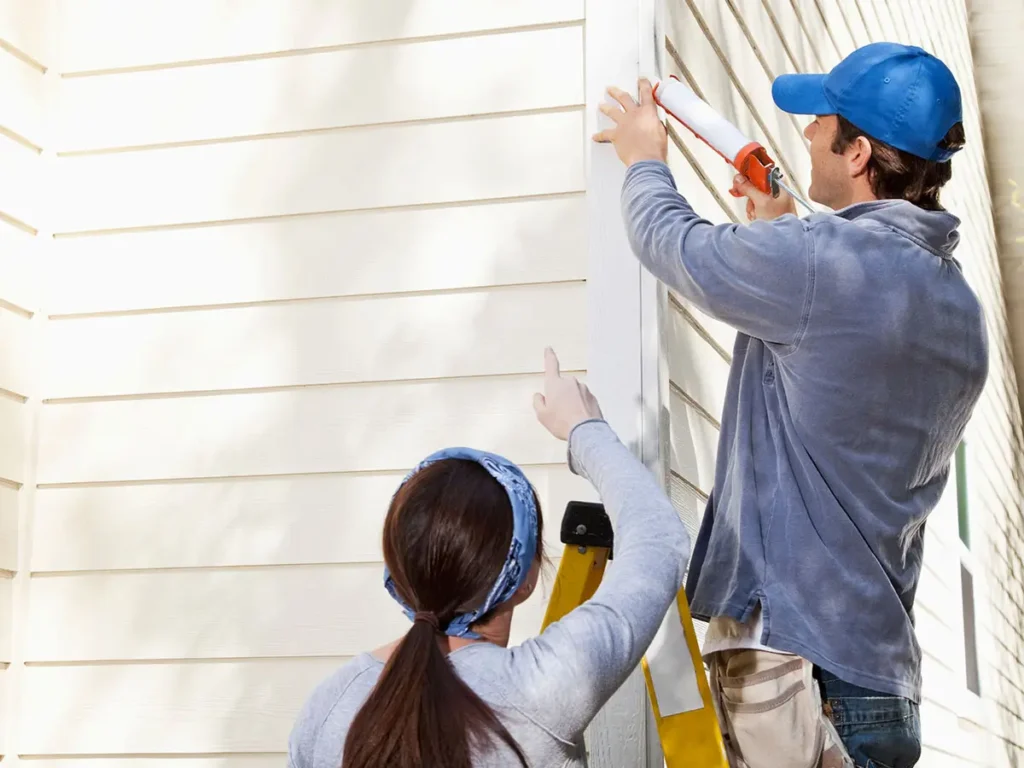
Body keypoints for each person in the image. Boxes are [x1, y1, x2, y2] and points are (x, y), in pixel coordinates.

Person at [594, 42, 989, 768]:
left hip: (794, 668)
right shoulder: (961, 311)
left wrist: (645, 156)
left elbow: (670, 242)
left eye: (819, 120)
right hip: (881, 679)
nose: (805, 132)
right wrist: (780, 226)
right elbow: (837, 369)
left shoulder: (819, 263)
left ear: (860, 152)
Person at [287, 348, 691, 768]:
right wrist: (582, 427)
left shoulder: (328, 708)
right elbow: (658, 540)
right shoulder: (539, 689)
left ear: (398, 568)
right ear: (526, 575)